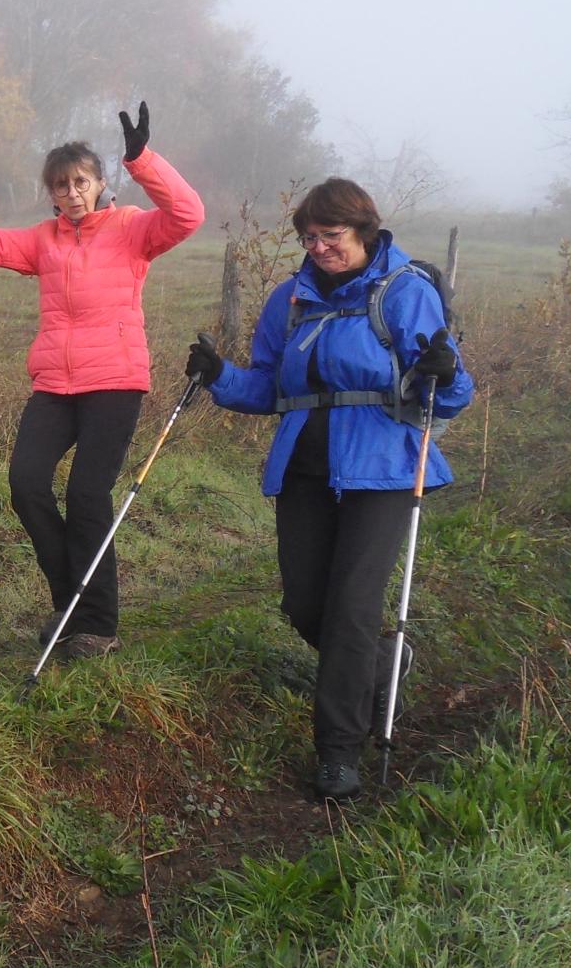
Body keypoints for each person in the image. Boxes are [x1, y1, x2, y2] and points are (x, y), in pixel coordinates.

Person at [184, 178, 471, 801]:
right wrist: (218, 376)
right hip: (304, 470)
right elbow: (267, 388)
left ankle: (339, 750)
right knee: (305, 604)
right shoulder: (289, 300)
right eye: (308, 238)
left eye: (330, 236)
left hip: (384, 468)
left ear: (363, 231)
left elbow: (444, 393)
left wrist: (445, 374)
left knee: (351, 608)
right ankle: (383, 667)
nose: (318, 248)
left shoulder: (405, 292)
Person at [0, 103, 204, 659]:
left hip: (115, 380)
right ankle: (71, 603)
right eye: (60, 187)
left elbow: (188, 215)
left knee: (88, 495)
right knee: (26, 483)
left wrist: (143, 159)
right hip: (55, 384)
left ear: (100, 183)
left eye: (81, 183)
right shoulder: (44, 240)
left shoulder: (134, 229)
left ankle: (97, 625)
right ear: (52, 193)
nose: (71, 194)